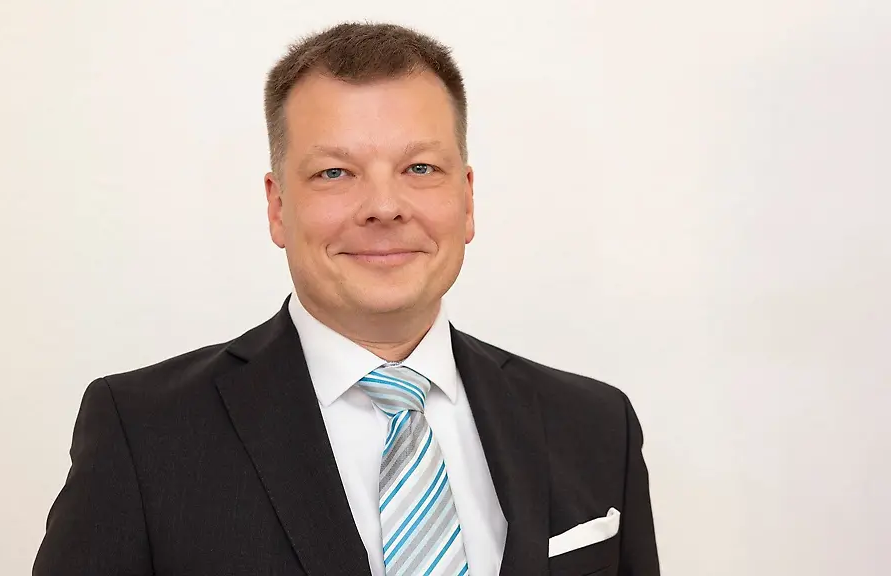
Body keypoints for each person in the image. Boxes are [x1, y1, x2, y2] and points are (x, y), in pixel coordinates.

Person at [33, 22, 660, 576]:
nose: (384, 207)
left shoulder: (595, 426)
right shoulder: (144, 434)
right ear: (278, 207)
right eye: (334, 172)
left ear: (467, 199)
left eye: (420, 169)